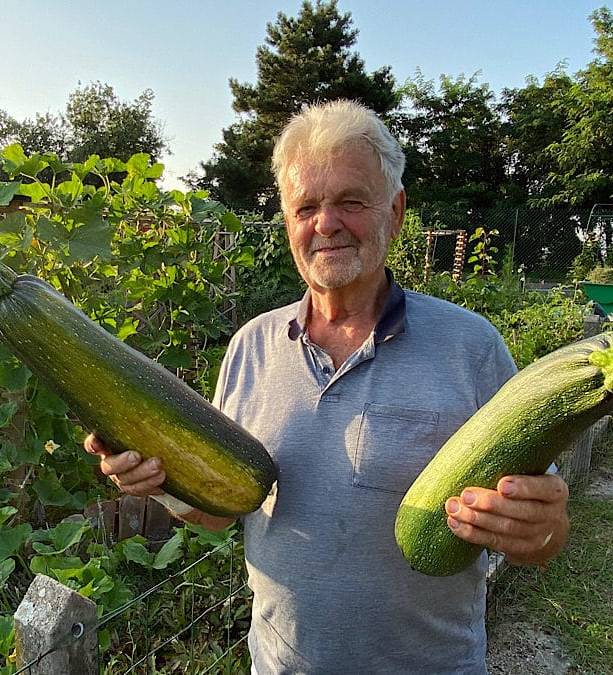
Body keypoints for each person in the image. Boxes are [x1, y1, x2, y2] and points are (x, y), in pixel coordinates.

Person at [85, 99, 569, 674]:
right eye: (306, 206)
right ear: (288, 221)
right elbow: (221, 511)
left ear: (395, 209)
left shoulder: (471, 348)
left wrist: (539, 529)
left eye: (350, 201)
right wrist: (158, 484)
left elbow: (547, 535)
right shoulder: (250, 348)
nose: (326, 223)